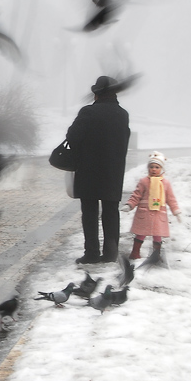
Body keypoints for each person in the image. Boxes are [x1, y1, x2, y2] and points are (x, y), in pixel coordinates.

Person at [65, 76, 131, 264]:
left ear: (97, 94)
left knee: (90, 212)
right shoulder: (122, 114)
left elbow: (72, 137)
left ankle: (92, 253)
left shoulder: (88, 112)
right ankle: (110, 254)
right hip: (113, 172)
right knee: (111, 212)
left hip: (89, 171)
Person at [120, 151, 182, 260]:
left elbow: (171, 198)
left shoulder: (165, 183)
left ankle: (156, 255)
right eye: (151, 167)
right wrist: (130, 205)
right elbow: (136, 195)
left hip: (158, 214)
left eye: (157, 167)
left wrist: (176, 211)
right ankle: (135, 252)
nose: (154, 169)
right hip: (145, 213)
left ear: (161, 169)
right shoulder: (144, 182)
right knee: (140, 234)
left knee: (157, 235)